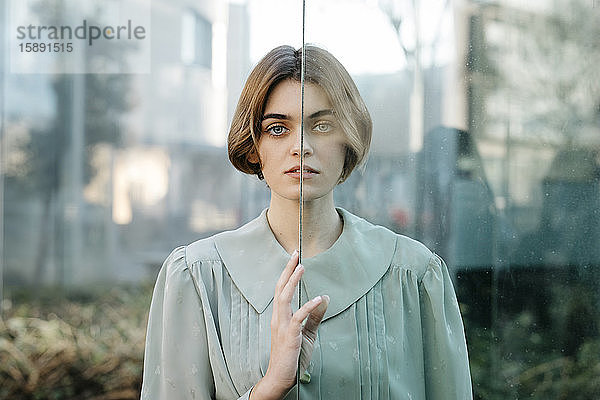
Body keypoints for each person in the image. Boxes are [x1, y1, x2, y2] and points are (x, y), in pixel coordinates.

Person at [140, 44, 472, 400]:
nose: (301, 146)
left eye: (323, 125)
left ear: (349, 140)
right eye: (278, 128)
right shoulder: (198, 276)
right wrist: (269, 388)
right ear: (254, 147)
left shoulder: (414, 273)